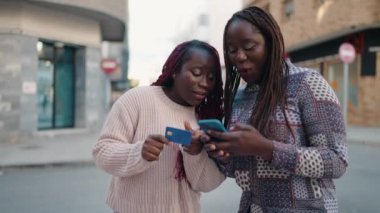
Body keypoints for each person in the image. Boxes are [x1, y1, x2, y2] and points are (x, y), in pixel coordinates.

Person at [204, 6, 348, 213]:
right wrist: (224, 156)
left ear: (270, 43)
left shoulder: (307, 84)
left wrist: (267, 148)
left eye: (249, 46)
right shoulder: (239, 97)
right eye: (232, 50)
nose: (240, 56)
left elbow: (337, 161)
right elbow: (241, 172)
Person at [93, 40, 226, 213]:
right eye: (196, 72)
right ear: (175, 71)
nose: (204, 83)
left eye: (211, 78)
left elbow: (206, 184)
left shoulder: (206, 120)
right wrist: (138, 153)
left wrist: (194, 153)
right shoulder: (137, 99)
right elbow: (102, 152)